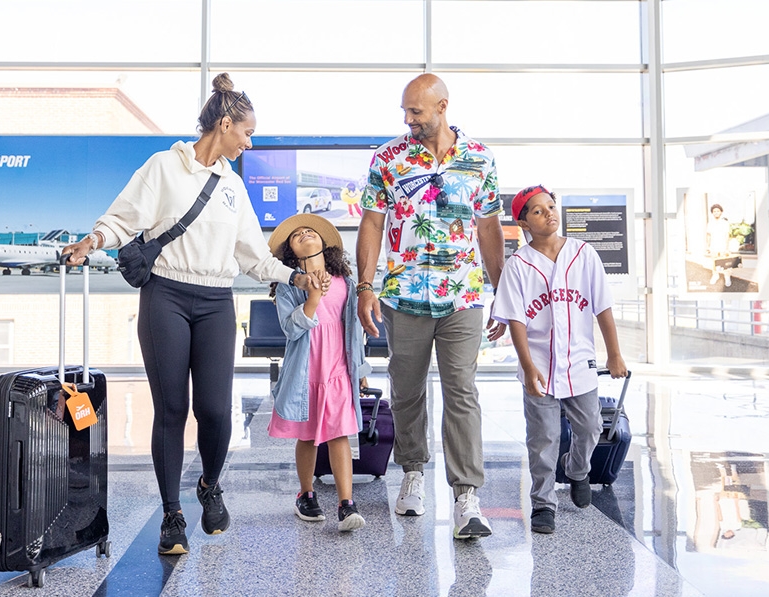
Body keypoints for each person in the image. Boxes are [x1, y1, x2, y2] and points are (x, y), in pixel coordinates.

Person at [61, 73, 324, 555]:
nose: (250, 142)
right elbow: (123, 218)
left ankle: (209, 484)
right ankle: (171, 515)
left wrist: (295, 277)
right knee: (173, 409)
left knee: (215, 410)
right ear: (224, 124)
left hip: (216, 301)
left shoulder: (233, 187)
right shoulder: (164, 167)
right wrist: (92, 241)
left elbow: (252, 256)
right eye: (246, 132)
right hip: (165, 295)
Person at [355, 73, 506, 540]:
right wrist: (365, 285)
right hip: (404, 296)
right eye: (405, 111)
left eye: (416, 111)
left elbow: (488, 230)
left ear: (442, 106)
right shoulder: (388, 158)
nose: (408, 119)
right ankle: (413, 473)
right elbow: (373, 223)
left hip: (462, 294)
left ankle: (466, 496)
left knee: (462, 390)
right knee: (406, 389)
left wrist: (503, 294)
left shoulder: (480, 159)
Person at [490, 185, 628, 535]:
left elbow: (603, 307)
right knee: (543, 438)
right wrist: (527, 365)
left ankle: (578, 470)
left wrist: (613, 353)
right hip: (538, 364)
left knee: (591, 428)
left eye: (551, 206)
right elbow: (516, 319)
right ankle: (543, 504)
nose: (549, 213)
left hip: (579, 362)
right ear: (524, 222)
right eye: (537, 211)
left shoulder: (584, 253)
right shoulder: (518, 264)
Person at [266, 213, 371, 532]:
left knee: (339, 434)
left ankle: (346, 503)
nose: (304, 233)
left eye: (309, 231)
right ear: (290, 255)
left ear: (327, 246)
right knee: (308, 436)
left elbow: (354, 330)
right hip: (306, 373)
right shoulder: (288, 288)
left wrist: (361, 368)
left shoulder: (345, 284)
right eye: (295, 235)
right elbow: (291, 328)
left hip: (338, 370)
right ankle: (306, 494)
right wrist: (312, 296)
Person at [705, 203, 734, 287]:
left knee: (726, 264)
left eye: (718, 211)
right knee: (714, 263)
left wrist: (727, 248)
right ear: (712, 213)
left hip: (723, 246)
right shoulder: (710, 223)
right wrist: (708, 246)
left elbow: (727, 236)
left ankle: (727, 277)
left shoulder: (725, 223)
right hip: (714, 246)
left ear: (721, 212)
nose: (716, 212)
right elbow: (709, 235)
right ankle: (715, 275)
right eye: (714, 211)